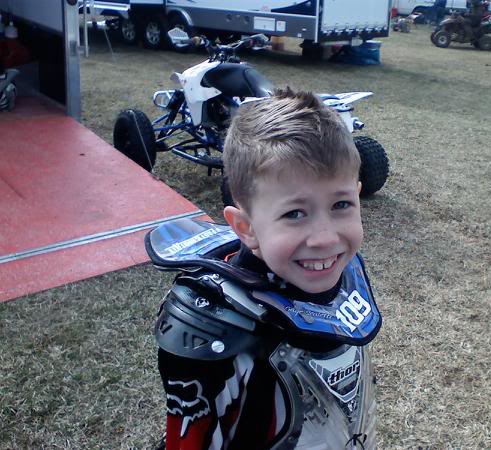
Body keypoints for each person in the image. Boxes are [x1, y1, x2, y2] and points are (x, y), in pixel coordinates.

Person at [151, 88, 382, 450]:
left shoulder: (345, 276)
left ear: (358, 194)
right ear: (246, 228)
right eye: (295, 213)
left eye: (341, 205)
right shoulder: (214, 326)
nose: (325, 238)